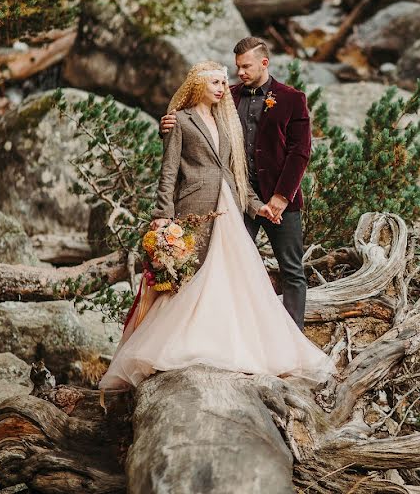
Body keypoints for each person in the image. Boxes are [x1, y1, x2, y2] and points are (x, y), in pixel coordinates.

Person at [99, 61, 332, 390]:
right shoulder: (180, 120)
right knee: (187, 278)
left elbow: (234, 173)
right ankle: (175, 343)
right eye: (215, 83)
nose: (223, 88)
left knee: (230, 277)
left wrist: (256, 206)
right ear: (198, 85)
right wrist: (162, 213)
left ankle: (230, 343)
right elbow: (169, 172)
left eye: (224, 82)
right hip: (193, 207)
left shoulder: (226, 121)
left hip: (228, 209)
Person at [161, 38, 311, 329]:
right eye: (238, 66)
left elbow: (300, 151)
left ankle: (294, 333)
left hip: (280, 199)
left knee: (292, 269)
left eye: (246, 66)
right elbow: (193, 122)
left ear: (264, 63)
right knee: (231, 266)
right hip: (237, 197)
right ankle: (237, 332)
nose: (239, 72)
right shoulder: (226, 95)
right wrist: (165, 125)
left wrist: (281, 197)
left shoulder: (292, 98)